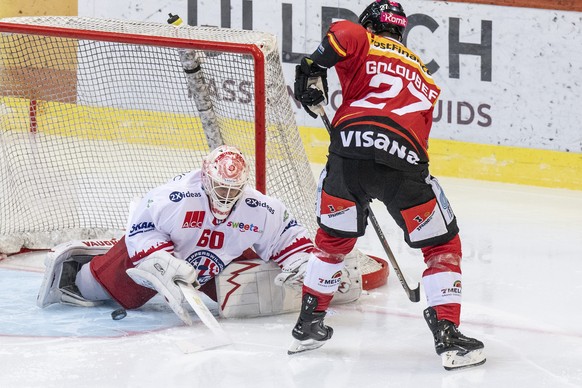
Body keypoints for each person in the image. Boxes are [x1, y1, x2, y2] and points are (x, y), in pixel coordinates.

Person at [291, 0, 485, 369]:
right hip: (403, 158)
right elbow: (421, 135)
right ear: (400, 31)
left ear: (370, 24)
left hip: (347, 155)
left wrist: (311, 68)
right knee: (442, 246)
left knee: (334, 242)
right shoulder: (426, 78)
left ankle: (308, 323)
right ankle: (447, 334)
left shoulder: (361, 37)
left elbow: (341, 33)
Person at [37, 145, 358, 324]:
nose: (226, 194)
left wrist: (303, 262)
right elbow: (142, 224)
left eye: (234, 189)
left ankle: (320, 284)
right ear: (205, 176)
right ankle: (84, 273)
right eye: (220, 186)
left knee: (247, 298)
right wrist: (157, 260)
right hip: (168, 257)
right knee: (96, 290)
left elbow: (285, 236)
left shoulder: (259, 207)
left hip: (216, 266)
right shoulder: (174, 197)